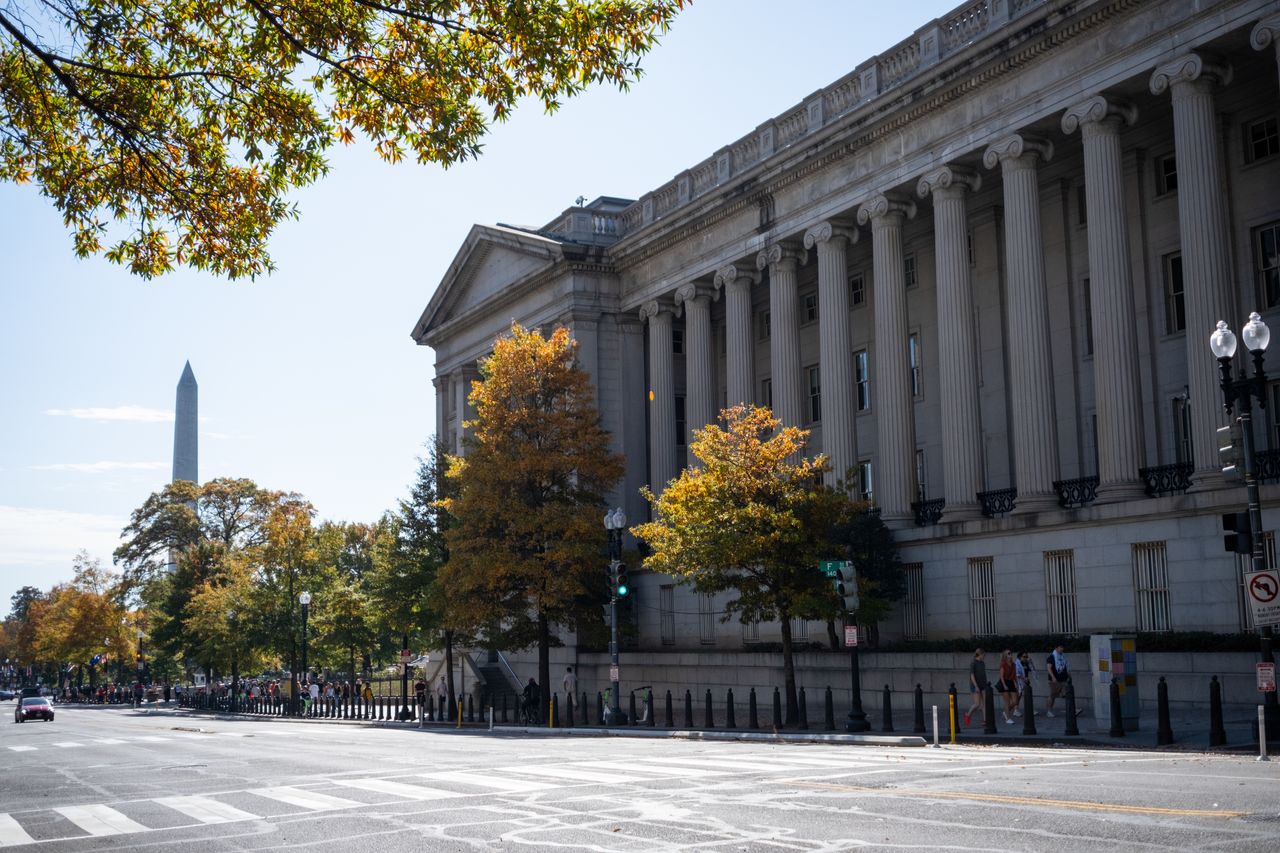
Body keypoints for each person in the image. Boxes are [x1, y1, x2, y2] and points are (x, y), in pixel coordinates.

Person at [1045, 643, 1071, 717]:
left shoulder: (1063, 657)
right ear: (1056, 648)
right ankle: (1049, 711)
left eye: (1063, 647)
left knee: (1066, 693)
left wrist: (1069, 675)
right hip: (1055, 680)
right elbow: (1049, 668)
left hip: (1063, 679)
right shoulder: (1051, 657)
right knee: (1052, 695)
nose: (1062, 649)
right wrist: (1053, 677)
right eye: (1060, 647)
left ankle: (1069, 709)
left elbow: (1065, 667)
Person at [964, 648, 987, 727]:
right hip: (975, 686)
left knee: (984, 704)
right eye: (983, 655)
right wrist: (976, 686)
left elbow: (983, 674)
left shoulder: (982, 663)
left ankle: (985, 720)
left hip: (983, 685)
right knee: (977, 704)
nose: (984, 656)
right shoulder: (973, 663)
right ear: (980, 654)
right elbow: (972, 675)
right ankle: (968, 715)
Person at [997, 650, 1018, 724]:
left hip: (1011, 682)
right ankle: (1008, 718)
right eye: (1009, 653)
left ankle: (1005, 712)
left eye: (1011, 653)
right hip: (1004, 682)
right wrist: (1004, 685)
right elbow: (1001, 676)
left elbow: (1015, 676)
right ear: (1005, 655)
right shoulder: (1003, 664)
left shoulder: (1013, 664)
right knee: (1007, 702)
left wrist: (1017, 684)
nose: (1010, 654)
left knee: (1015, 701)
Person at [1014, 651, 1036, 716]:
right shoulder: (1017, 664)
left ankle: (1030, 709)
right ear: (1019, 657)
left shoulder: (1025, 663)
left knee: (1027, 695)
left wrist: (1031, 662)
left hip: (1025, 681)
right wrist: (1024, 678)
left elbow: (1032, 670)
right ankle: (1015, 710)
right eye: (1024, 657)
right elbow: (1017, 674)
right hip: (1019, 682)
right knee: (1019, 696)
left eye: (1026, 656)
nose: (1025, 658)